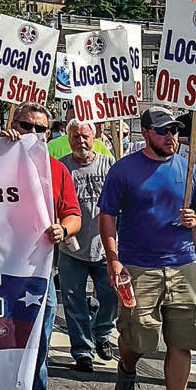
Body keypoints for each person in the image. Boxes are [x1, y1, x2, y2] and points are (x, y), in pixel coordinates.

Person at [100, 105, 196, 390]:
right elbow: (108, 216)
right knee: (138, 338)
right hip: (138, 267)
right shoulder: (124, 170)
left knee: (182, 340)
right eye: (164, 130)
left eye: (176, 130)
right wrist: (113, 259)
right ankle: (127, 367)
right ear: (146, 132)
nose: (172, 136)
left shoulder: (190, 170)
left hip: (182, 266)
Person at [0, 102, 81, 390]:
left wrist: (63, 229)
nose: (33, 133)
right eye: (26, 126)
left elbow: (73, 214)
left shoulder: (57, 169)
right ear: (14, 125)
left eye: (41, 128)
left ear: (50, 133)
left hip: (38, 271)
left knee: (38, 340)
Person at [56, 120, 118, 373]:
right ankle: (82, 351)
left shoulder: (109, 164)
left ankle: (102, 333)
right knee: (74, 302)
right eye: (75, 136)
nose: (80, 141)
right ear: (68, 138)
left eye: (85, 136)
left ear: (95, 137)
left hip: (105, 247)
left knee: (111, 296)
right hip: (72, 249)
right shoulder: (62, 167)